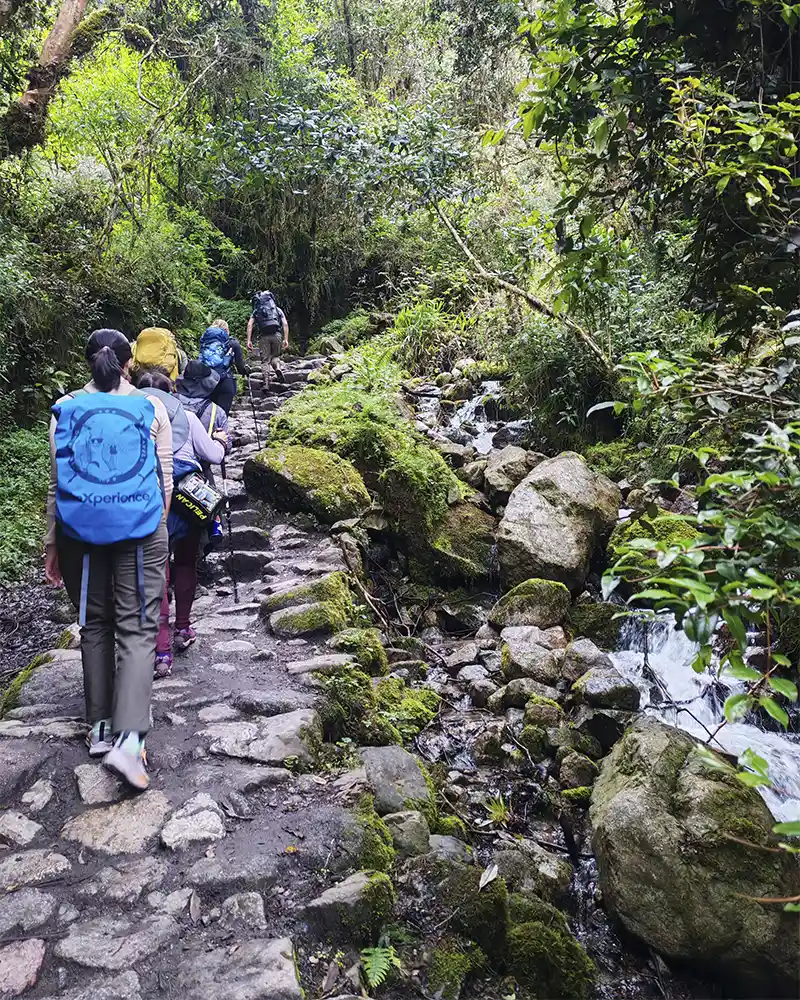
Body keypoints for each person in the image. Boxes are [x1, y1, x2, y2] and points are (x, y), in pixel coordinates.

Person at [44, 330, 173, 791]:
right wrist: (157, 525)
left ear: (88, 363)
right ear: (127, 364)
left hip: (79, 530)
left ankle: (99, 727)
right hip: (140, 529)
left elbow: (58, 481)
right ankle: (130, 740)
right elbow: (165, 474)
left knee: (94, 623)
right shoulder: (151, 405)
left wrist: (53, 542)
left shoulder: (65, 408)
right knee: (137, 626)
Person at [136, 370, 227, 676]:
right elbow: (213, 456)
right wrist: (221, 441)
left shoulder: (131, 416)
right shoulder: (186, 417)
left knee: (156, 571)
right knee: (186, 562)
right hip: (187, 497)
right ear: (172, 393)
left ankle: (161, 652)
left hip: (147, 497)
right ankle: (183, 629)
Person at [175, 360, 232, 482]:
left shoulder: (168, 401)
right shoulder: (217, 412)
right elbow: (227, 447)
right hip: (200, 473)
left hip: (166, 467)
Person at [198, 318, 248, 415]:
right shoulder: (232, 343)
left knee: (207, 414)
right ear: (226, 330)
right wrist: (245, 371)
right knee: (222, 415)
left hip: (206, 382)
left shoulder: (205, 341)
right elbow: (240, 366)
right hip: (225, 382)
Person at [246, 292, 289, 391]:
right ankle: (277, 368)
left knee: (265, 360)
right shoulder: (277, 309)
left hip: (263, 337)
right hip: (276, 335)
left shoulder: (256, 311)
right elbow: (285, 324)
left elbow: (249, 325)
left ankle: (266, 383)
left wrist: (249, 340)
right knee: (275, 356)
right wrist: (286, 339)